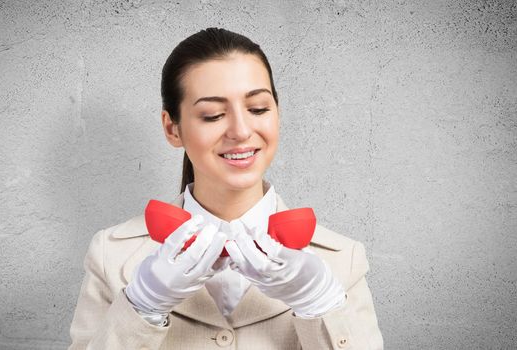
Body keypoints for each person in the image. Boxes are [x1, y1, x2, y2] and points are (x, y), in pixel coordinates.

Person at [68, 27, 383, 350]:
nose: (241, 131)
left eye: (258, 109)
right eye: (213, 115)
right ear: (172, 129)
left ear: (277, 114)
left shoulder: (343, 260)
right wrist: (141, 306)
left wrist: (322, 305)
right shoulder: (111, 254)